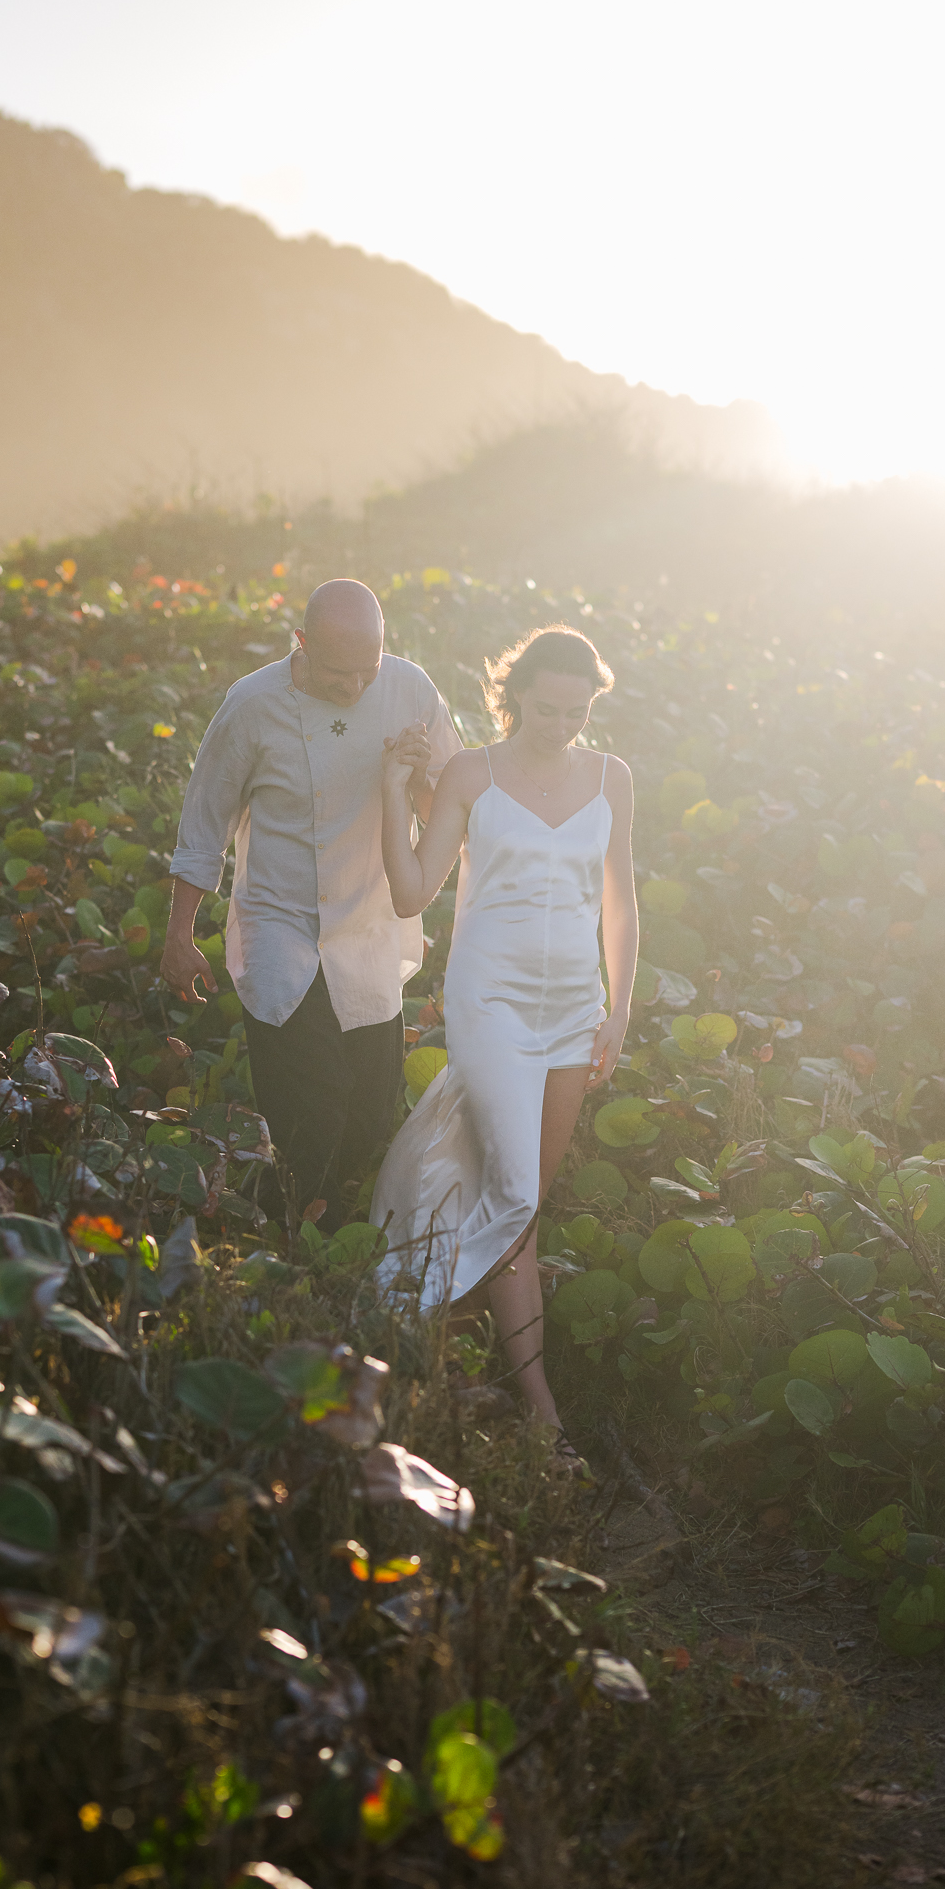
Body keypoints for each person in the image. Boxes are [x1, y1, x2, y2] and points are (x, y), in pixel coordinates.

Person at [370, 624, 637, 1469]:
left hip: (574, 1011)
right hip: (489, 1002)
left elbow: (620, 904)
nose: (563, 723)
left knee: (522, 1210)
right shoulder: (472, 773)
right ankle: (537, 1410)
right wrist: (389, 790)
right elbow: (413, 892)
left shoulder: (611, 778)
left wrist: (619, 1010)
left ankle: (462, 1374)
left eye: (580, 710)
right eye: (549, 707)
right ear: (515, 694)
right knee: (516, 1195)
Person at [163, 578, 461, 1228]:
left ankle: (286, 1217)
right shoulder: (251, 705)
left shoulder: (411, 690)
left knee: (370, 1113)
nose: (354, 687)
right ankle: (293, 1243)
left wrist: (415, 786)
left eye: (367, 670)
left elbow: (451, 808)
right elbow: (203, 827)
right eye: (335, 671)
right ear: (300, 643)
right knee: (313, 1111)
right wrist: (179, 936)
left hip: (368, 928)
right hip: (281, 929)